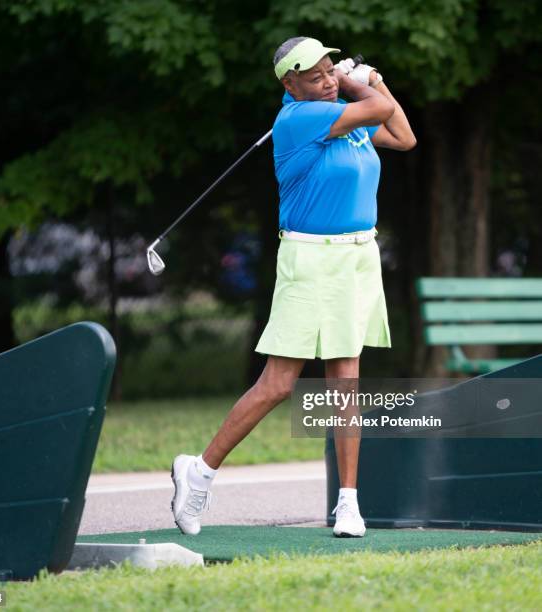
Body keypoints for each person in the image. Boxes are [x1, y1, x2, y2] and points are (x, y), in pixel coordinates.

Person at [171, 37, 416, 537]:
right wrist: (358, 80)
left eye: (330, 70)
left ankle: (348, 503)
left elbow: (403, 135)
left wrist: (371, 80)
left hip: (356, 256)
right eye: (315, 75)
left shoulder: (347, 119)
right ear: (289, 84)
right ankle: (198, 471)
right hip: (309, 260)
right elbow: (378, 108)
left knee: (345, 380)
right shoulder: (299, 120)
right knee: (279, 384)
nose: (326, 80)